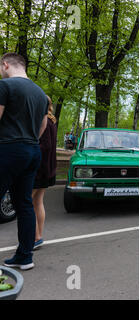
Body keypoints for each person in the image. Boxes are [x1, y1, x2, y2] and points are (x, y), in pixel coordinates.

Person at [0, 53, 48, 270]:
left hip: (8, 149)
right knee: (24, 204)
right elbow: (42, 127)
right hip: (32, 150)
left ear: (6, 64)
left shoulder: (5, 86)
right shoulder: (40, 94)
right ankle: (25, 256)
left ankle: (23, 256)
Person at [32, 96, 57, 250]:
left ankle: (34, 237)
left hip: (40, 169)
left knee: (26, 202)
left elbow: (45, 146)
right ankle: (38, 235)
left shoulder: (45, 121)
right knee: (37, 202)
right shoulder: (52, 121)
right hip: (47, 168)